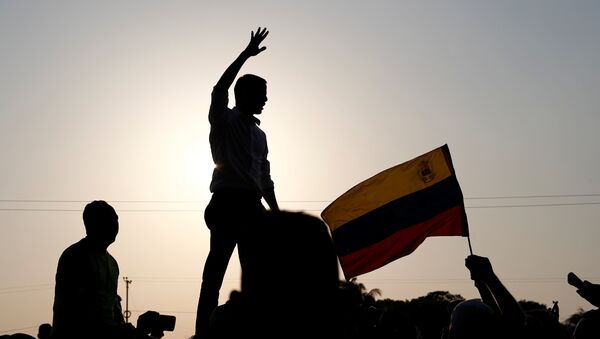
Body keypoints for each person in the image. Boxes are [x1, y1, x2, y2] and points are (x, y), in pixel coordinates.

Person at [194, 27, 279, 338]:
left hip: (252, 206)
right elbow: (219, 88)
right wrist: (246, 54)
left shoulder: (261, 135)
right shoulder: (224, 120)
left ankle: (251, 331)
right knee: (215, 271)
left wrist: (276, 212)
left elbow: (265, 178)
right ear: (244, 95)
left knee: (256, 275)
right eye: (261, 95)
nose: (266, 100)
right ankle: (203, 332)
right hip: (228, 203)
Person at [51, 200, 135, 339]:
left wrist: (123, 327)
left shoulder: (113, 263)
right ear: (93, 224)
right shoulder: (76, 255)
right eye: (110, 220)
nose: (115, 225)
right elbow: (78, 309)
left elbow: (112, 304)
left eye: (116, 220)